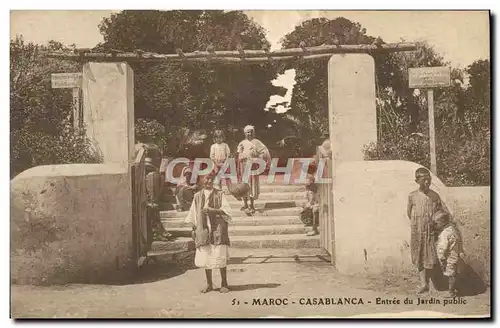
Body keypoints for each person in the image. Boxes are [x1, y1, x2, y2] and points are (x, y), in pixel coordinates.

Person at [184, 173, 232, 294]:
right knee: (207, 258)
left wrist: (213, 210)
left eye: (211, 179)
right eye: (206, 179)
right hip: (203, 229)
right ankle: (209, 284)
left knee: (220, 256)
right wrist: (194, 229)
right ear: (201, 181)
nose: (209, 181)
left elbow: (227, 211)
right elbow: (193, 214)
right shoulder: (197, 196)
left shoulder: (220, 194)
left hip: (218, 229)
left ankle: (224, 283)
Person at [407, 167, 450, 294]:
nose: (427, 182)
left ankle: (435, 283)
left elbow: (440, 213)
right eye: (424, 180)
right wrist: (417, 224)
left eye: (429, 179)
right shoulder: (412, 196)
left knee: (431, 256)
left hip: (431, 232)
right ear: (417, 181)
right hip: (417, 232)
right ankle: (423, 283)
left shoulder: (434, 196)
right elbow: (409, 212)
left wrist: (434, 226)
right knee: (419, 256)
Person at [236, 125, 270, 213]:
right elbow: (239, 154)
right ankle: (245, 204)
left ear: (253, 133)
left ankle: (251, 204)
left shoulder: (257, 142)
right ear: (245, 133)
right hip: (244, 167)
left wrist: (258, 157)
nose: (249, 134)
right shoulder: (242, 143)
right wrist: (242, 157)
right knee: (244, 185)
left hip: (253, 167)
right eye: (247, 132)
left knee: (252, 185)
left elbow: (264, 151)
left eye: (251, 132)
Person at [433, 210, 463, 298]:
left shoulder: (445, 233)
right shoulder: (453, 229)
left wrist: (441, 257)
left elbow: (443, 247)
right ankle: (453, 289)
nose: (435, 225)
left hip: (449, 257)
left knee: (450, 274)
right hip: (455, 255)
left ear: (442, 223)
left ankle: (451, 292)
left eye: (436, 223)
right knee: (453, 273)